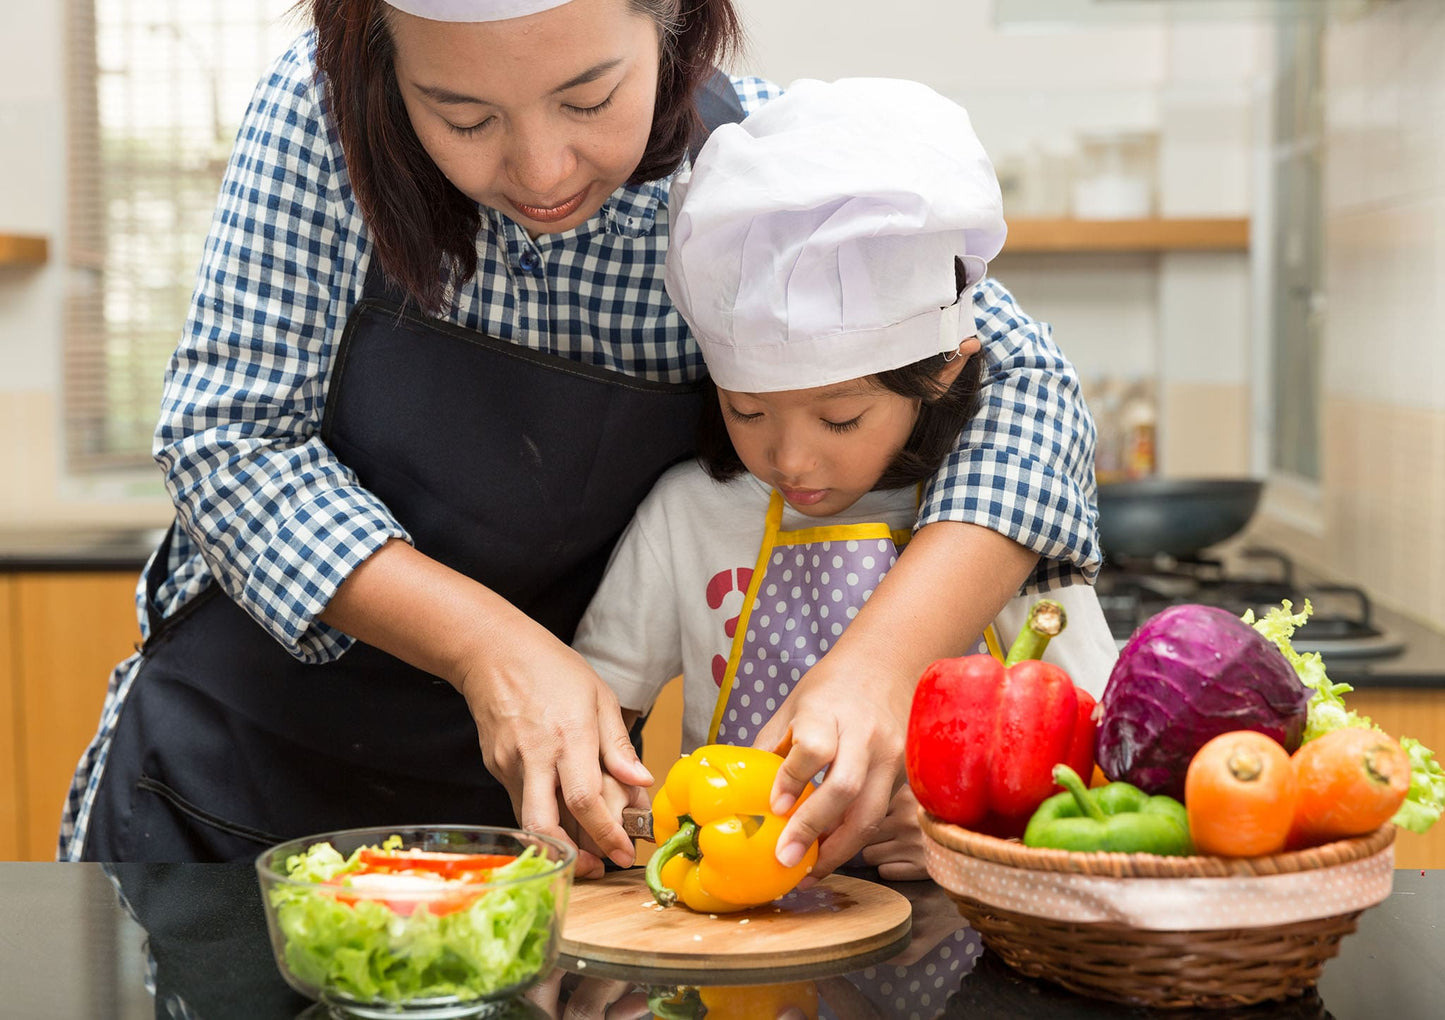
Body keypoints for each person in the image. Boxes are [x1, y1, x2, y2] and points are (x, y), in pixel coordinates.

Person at [59, 0, 1102, 872]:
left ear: (672, 22)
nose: (540, 168)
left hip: (541, 835)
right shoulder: (322, 120)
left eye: (589, 98)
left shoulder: (761, 180)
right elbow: (228, 439)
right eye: (460, 116)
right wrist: (490, 651)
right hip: (234, 783)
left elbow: (1030, 390)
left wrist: (881, 668)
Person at [573, 77, 1117, 879]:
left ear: (941, 374)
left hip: (957, 943)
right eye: (747, 412)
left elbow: (1101, 777)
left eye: (839, 420)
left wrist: (964, 834)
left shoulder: (996, 540)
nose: (790, 460)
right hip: (734, 925)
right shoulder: (687, 516)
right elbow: (599, 727)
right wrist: (600, 819)